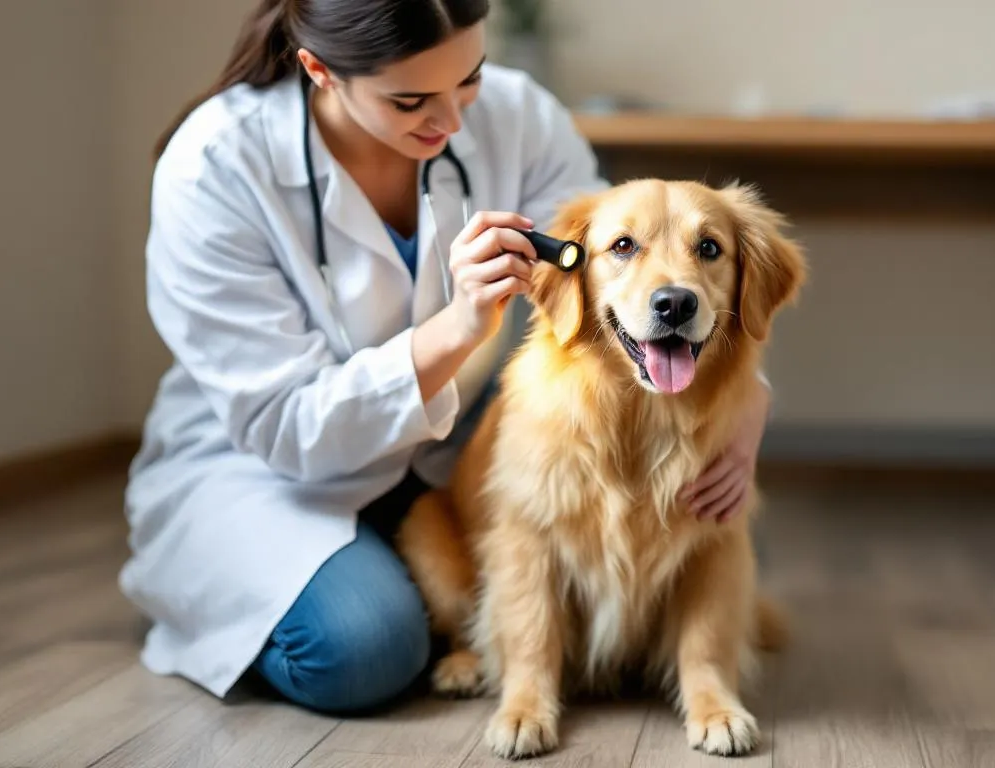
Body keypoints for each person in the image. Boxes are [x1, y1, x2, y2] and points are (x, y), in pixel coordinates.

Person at [120, 0, 774, 716]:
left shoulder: (518, 114)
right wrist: (459, 324)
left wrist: (747, 401)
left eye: (470, 78)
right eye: (411, 99)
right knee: (364, 648)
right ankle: (272, 603)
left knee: (706, 554)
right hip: (273, 475)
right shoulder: (213, 165)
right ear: (319, 70)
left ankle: (464, 608)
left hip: (455, 454)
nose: (454, 119)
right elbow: (285, 426)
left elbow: (632, 286)